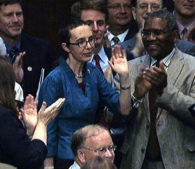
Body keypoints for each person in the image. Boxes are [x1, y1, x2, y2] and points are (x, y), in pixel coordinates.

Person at [115, 9, 195, 169]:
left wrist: (164, 91)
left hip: (184, 161)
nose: (151, 38)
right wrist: (136, 96)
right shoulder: (129, 69)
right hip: (137, 162)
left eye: (158, 32)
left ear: (174, 36)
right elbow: (112, 117)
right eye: (147, 33)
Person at [38, 18, 131, 169]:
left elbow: (123, 109)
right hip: (65, 157)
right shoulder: (55, 79)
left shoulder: (92, 72)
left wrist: (125, 76)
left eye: (91, 40)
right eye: (81, 42)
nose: (89, 46)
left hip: (93, 158)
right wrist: (48, 166)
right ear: (66, 47)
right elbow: (48, 127)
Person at [0, 55, 65, 169]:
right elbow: (32, 160)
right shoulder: (4, 117)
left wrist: (30, 131)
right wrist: (42, 123)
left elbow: (13, 149)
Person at [0, 0, 55, 97]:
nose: (16, 20)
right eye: (9, 15)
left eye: (19, 14)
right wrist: (13, 81)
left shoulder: (42, 49)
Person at [119, 0, 195, 57]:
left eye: (155, 7)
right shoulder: (119, 49)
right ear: (134, 13)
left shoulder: (186, 49)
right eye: (143, 6)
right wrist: (137, 50)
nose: (149, 11)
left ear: (164, 13)